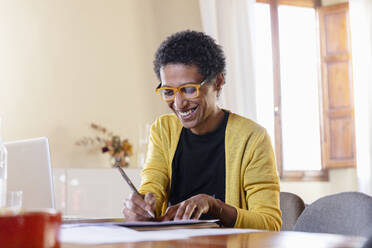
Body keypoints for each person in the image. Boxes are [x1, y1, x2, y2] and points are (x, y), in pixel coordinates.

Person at [122, 30, 282, 230]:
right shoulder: (164, 130)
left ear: (218, 81)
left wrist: (214, 206)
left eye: (189, 89)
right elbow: (153, 186)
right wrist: (141, 207)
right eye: (169, 92)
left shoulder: (252, 138)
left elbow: (269, 224)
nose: (179, 104)